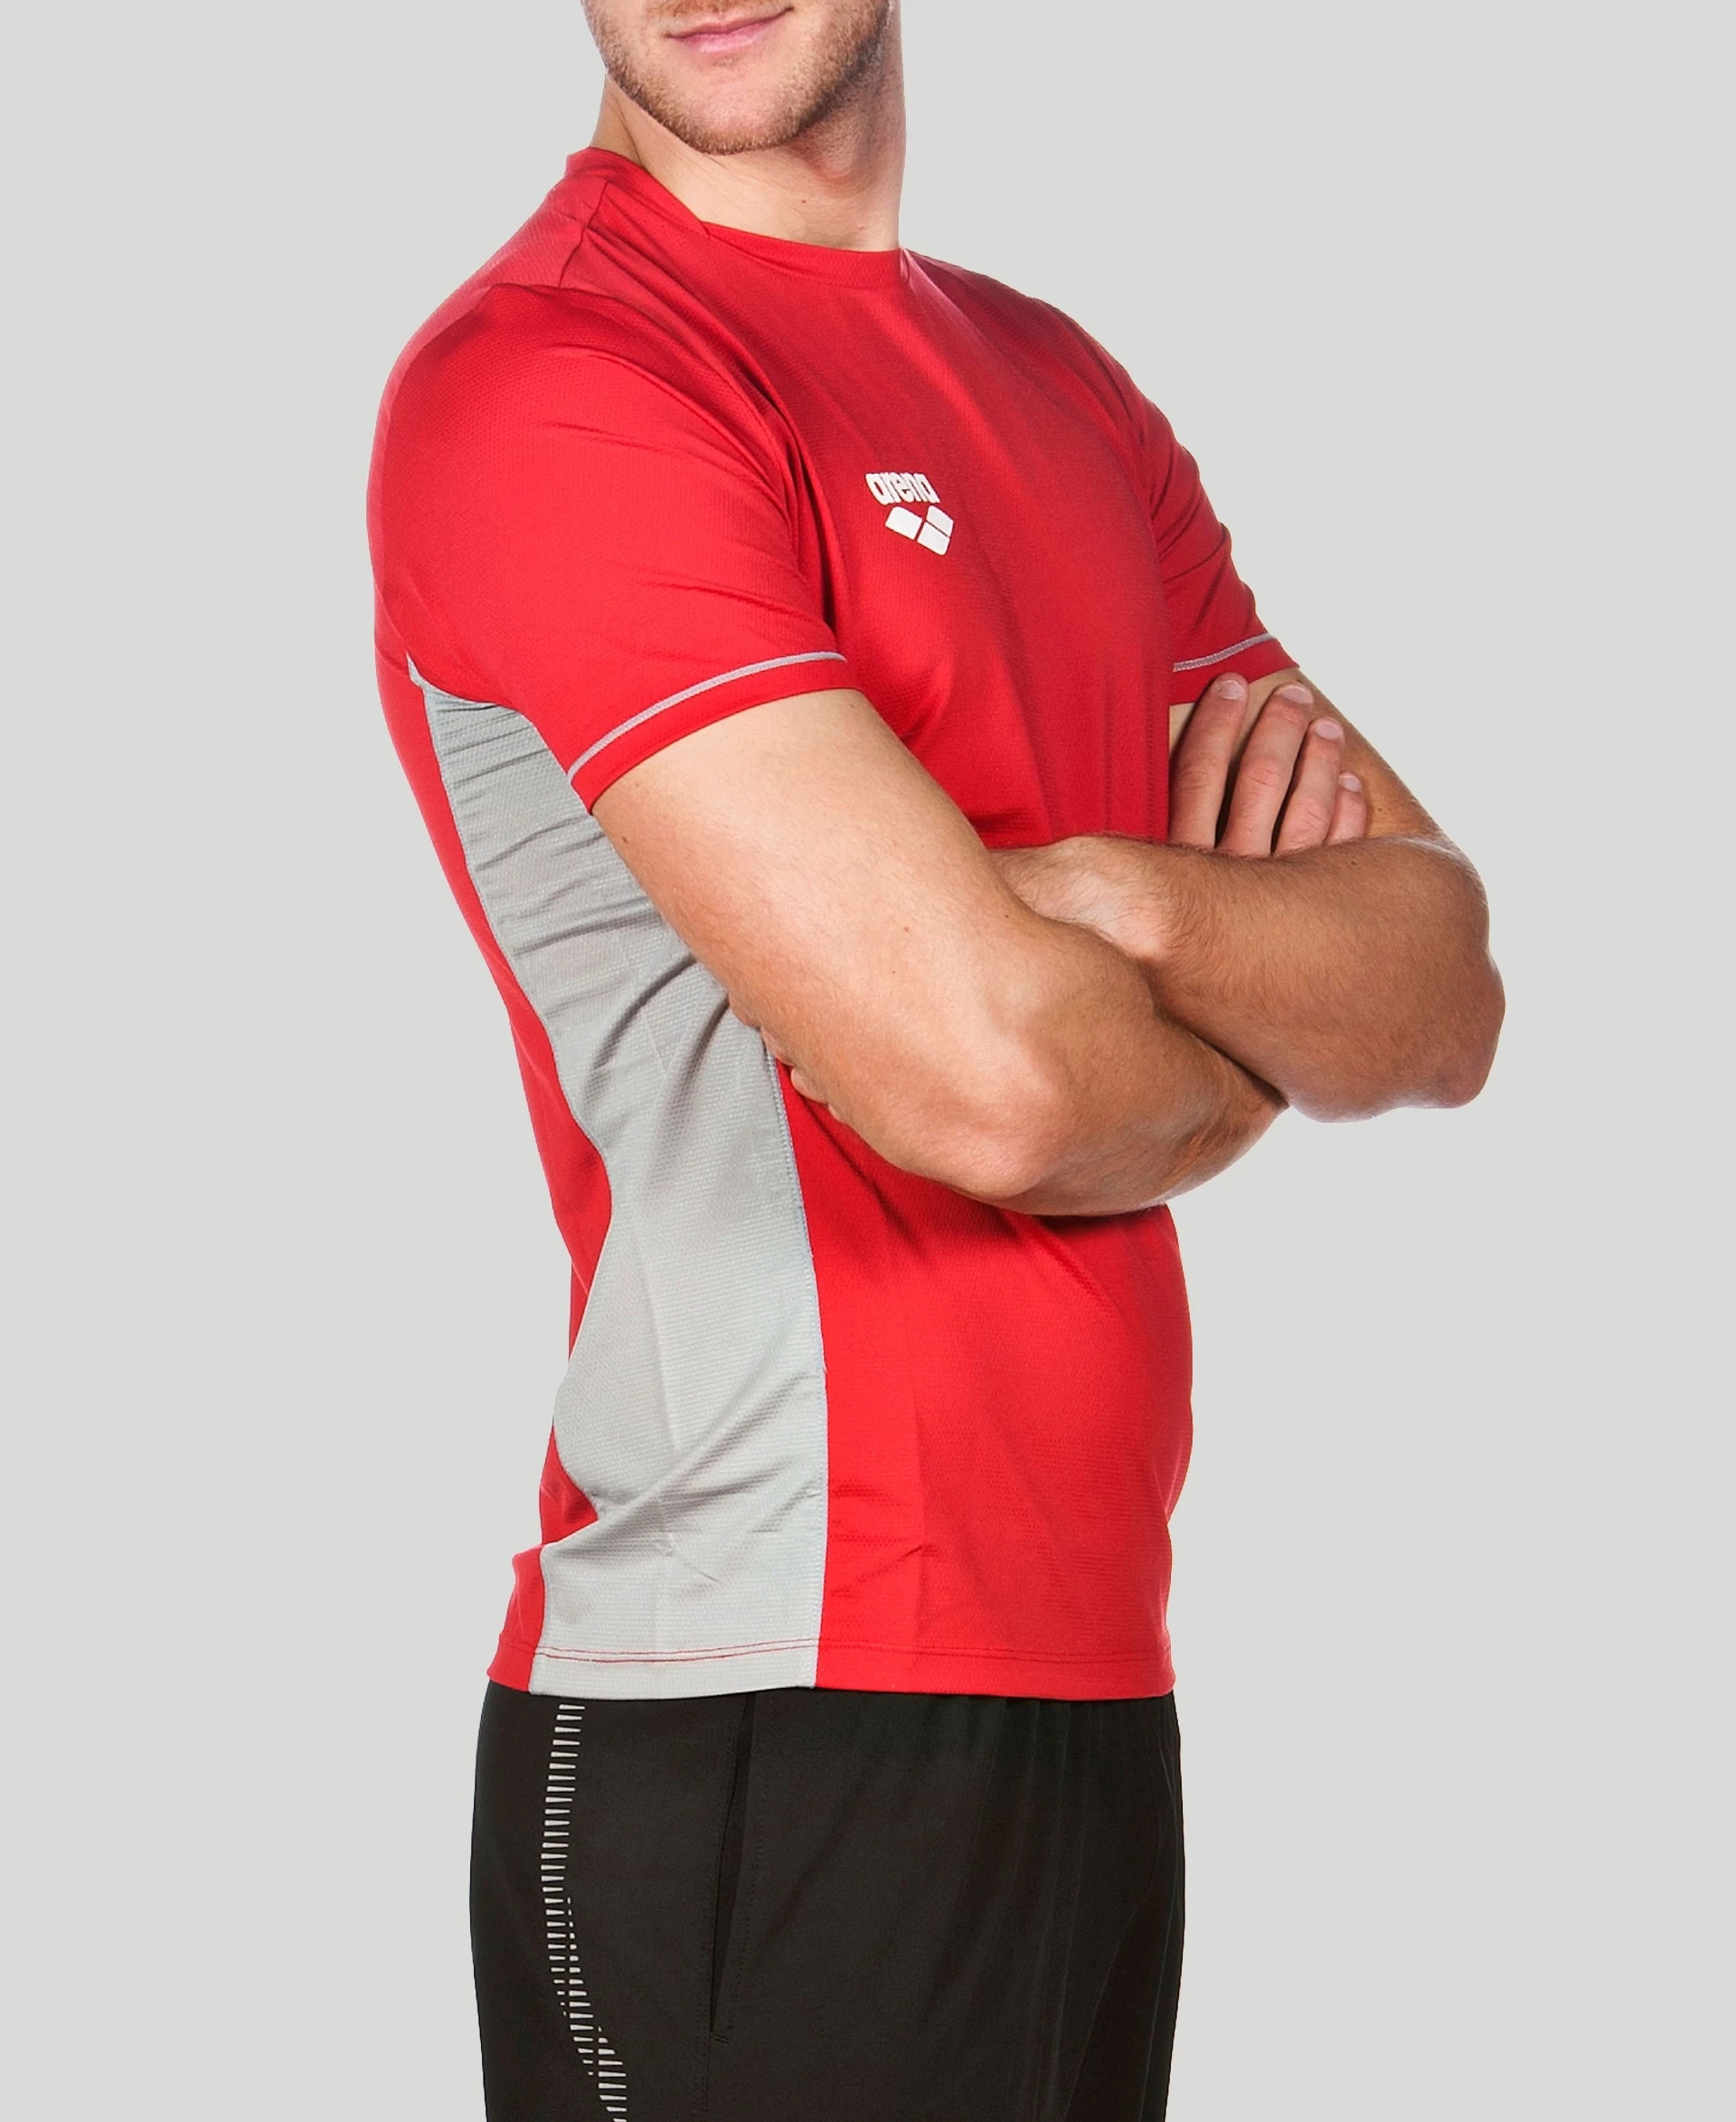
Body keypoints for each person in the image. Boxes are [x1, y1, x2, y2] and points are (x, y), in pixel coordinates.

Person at [367, 4, 1504, 2115]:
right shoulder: (558, 381)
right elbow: (996, 1089)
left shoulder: (1057, 390)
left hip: (1085, 1686)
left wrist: (1119, 902)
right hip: (757, 1702)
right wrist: (1249, 1041)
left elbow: (1438, 989)